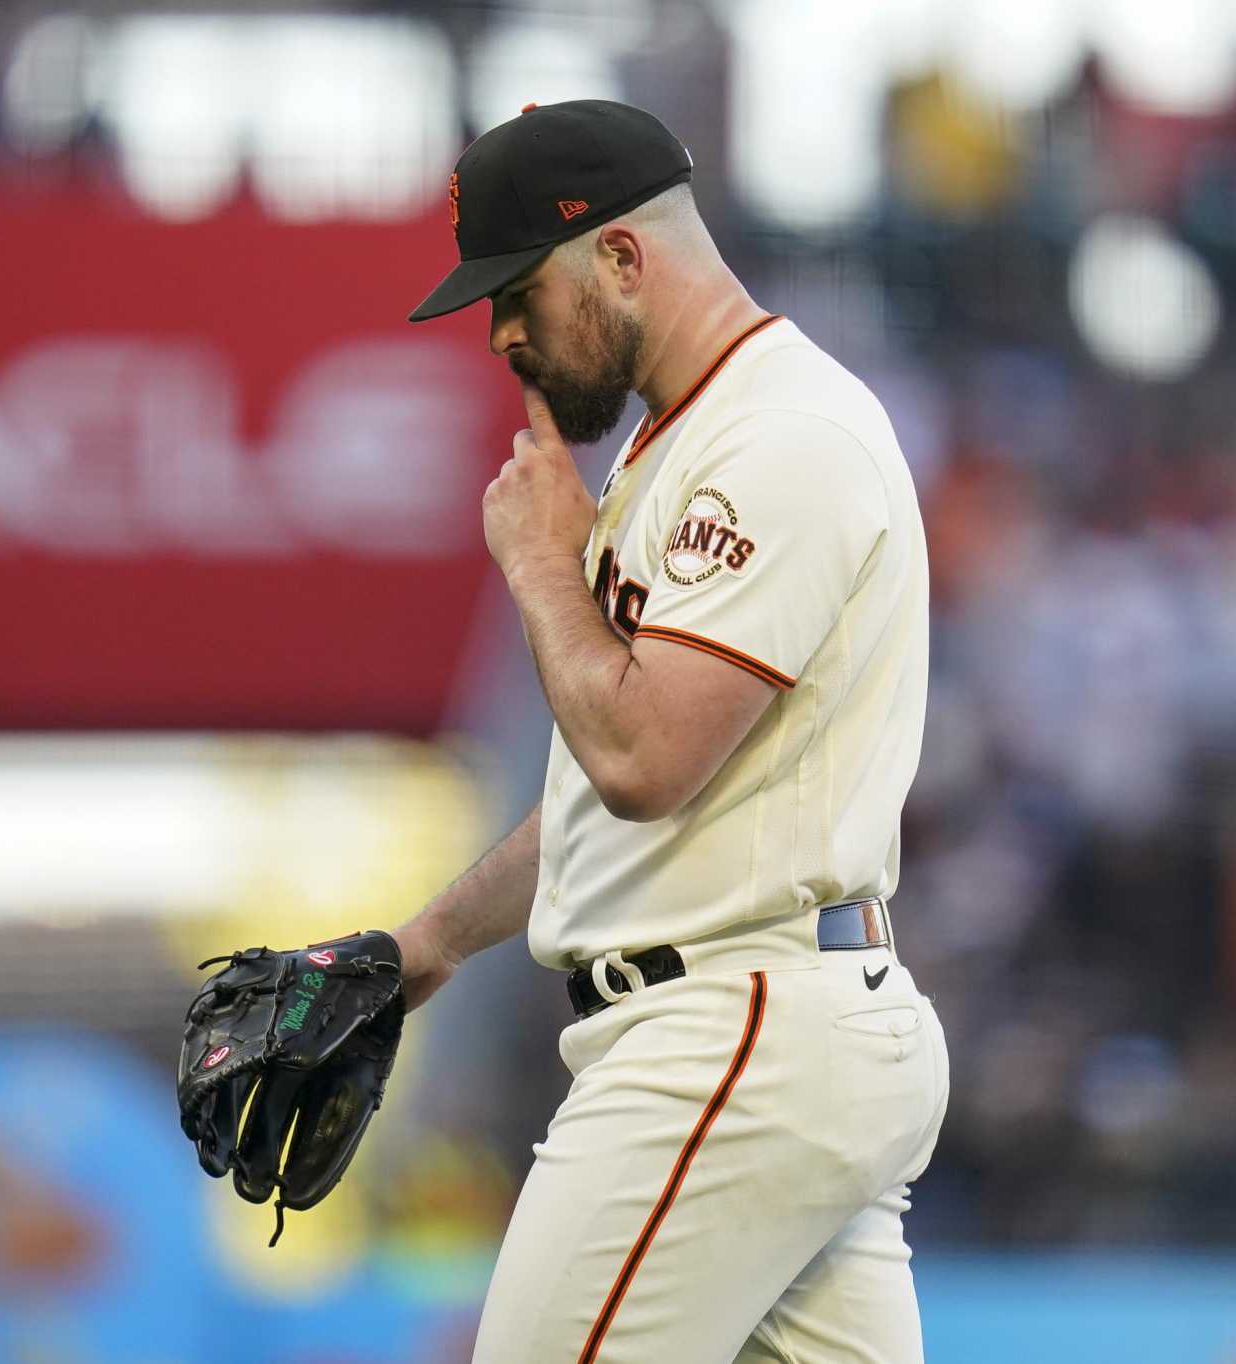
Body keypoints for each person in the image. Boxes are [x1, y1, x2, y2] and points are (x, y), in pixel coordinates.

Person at [396, 99, 950, 1363]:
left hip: (729, 1035)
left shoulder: (780, 436)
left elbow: (643, 761)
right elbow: (615, 796)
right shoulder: (684, 440)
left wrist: (543, 565)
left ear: (622, 258)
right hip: (771, 1025)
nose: (502, 337)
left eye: (516, 292)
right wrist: (424, 942)